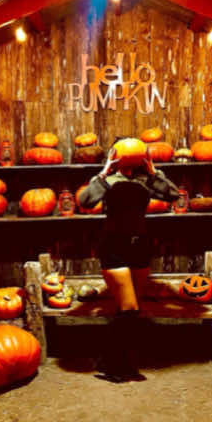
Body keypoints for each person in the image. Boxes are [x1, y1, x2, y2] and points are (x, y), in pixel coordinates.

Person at [77, 139, 183, 382]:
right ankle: (112, 365)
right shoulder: (107, 181)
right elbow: (84, 202)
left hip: (140, 246)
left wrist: (154, 172)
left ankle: (117, 361)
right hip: (113, 246)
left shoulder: (147, 179)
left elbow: (174, 195)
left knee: (131, 311)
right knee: (129, 308)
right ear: (115, 155)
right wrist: (104, 172)